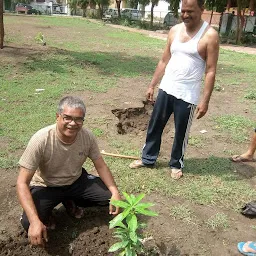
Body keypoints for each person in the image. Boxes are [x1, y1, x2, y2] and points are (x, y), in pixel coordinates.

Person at [129, 0, 219, 179]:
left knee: (181, 132)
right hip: (166, 88)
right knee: (155, 125)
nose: (185, 15)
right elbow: (164, 60)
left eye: (190, 11)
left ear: (201, 10)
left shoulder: (210, 36)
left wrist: (205, 100)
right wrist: (152, 85)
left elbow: (210, 71)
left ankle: (176, 163)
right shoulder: (175, 30)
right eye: (183, 11)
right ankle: (148, 158)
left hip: (188, 94)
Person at [16, 96, 121, 247]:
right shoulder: (41, 139)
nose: (73, 123)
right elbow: (21, 182)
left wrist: (115, 192)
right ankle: (48, 212)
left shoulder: (87, 137)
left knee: (109, 197)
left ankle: (69, 200)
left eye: (78, 119)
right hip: (46, 186)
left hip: (75, 181)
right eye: (67, 118)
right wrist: (34, 221)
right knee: (29, 224)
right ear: (58, 117)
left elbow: (101, 165)